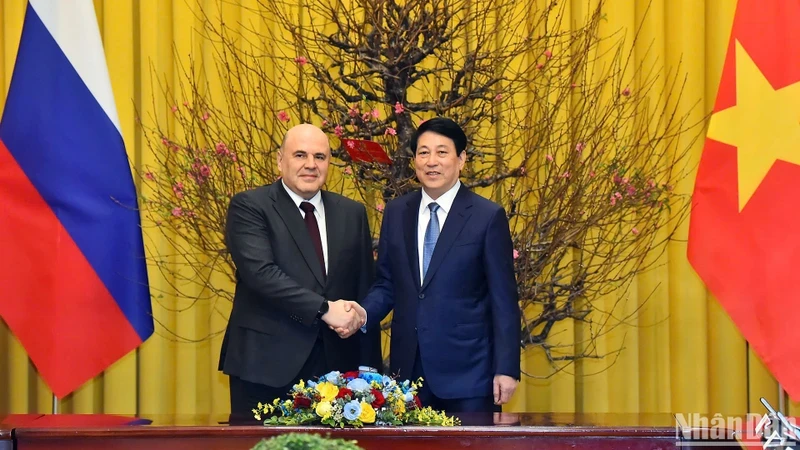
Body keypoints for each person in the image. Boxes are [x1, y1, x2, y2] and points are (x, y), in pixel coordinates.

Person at [342, 117, 521, 414]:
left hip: (470, 375)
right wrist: (361, 313)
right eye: (423, 153)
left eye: (441, 152)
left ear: (461, 159)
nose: (431, 161)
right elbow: (387, 283)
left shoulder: (487, 217)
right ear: (414, 162)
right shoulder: (398, 212)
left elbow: (503, 299)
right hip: (408, 374)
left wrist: (506, 368)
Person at [218, 123, 382, 419]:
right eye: (300, 155)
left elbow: (362, 287)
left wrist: (370, 372)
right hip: (265, 368)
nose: (311, 165)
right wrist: (323, 309)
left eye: (320, 157)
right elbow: (261, 274)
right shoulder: (250, 206)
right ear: (280, 160)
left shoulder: (352, 213)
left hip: (338, 371)